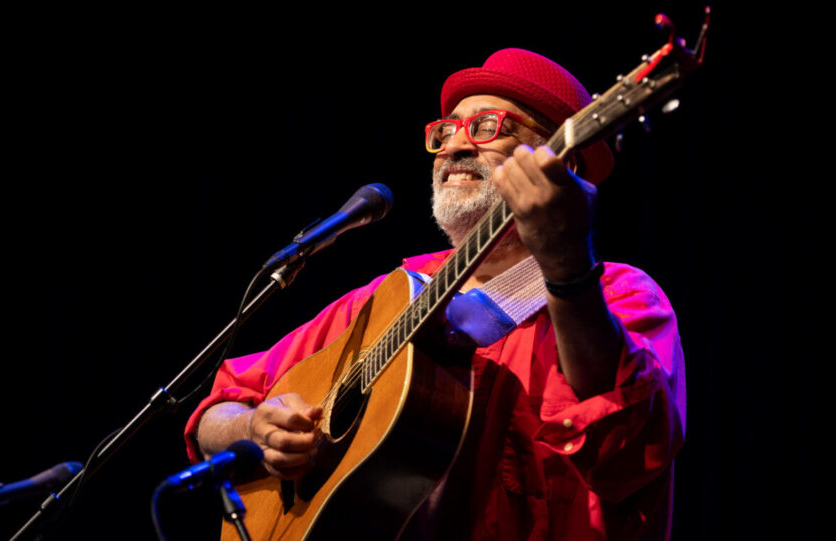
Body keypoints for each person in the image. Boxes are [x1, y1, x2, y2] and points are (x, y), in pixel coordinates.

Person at [185, 48, 686, 540]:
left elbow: (629, 452)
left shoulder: (621, 297)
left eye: (489, 127)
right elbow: (216, 411)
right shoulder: (387, 299)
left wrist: (565, 263)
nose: (455, 146)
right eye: (446, 130)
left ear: (564, 165)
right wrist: (254, 430)